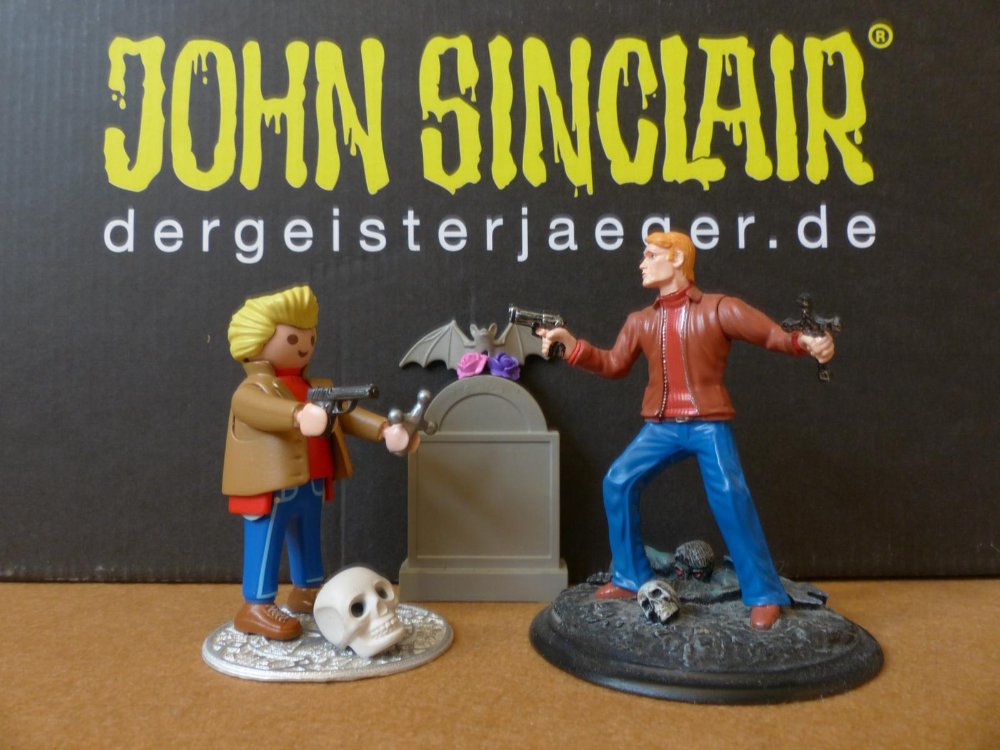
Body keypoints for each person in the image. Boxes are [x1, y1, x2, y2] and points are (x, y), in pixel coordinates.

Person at [541, 232, 834, 630]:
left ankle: (764, 592)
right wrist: (572, 345)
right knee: (618, 481)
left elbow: (770, 334)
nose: (642, 263)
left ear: (677, 259)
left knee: (731, 496)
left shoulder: (719, 309)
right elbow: (612, 364)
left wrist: (807, 344)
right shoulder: (641, 321)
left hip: (707, 424)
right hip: (661, 427)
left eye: (651, 255)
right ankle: (629, 576)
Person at [222, 285, 415, 639]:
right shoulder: (252, 391)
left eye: (309, 337)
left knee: (308, 539)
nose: (305, 345)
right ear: (257, 340)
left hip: (311, 482)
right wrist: (297, 415)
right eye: (293, 338)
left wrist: (385, 430)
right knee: (266, 542)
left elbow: (348, 416)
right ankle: (256, 606)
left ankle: (307, 590)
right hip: (271, 487)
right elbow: (260, 410)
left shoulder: (317, 386)